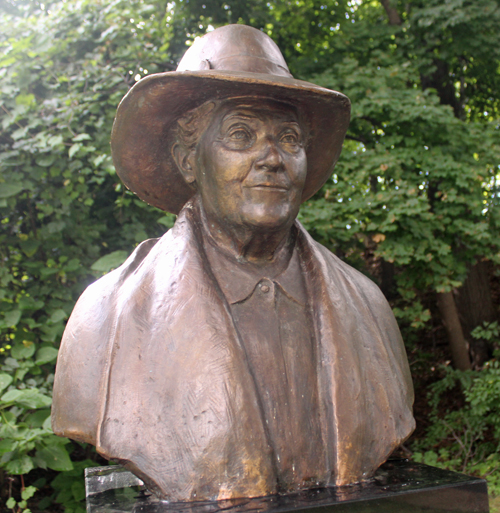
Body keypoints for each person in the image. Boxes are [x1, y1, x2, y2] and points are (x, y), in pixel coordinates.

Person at [51, 24, 414, 502]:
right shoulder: (104, 318)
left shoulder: (367, 306)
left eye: (289, 138)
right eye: (241, 135)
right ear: (187, 160)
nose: (271, 158)